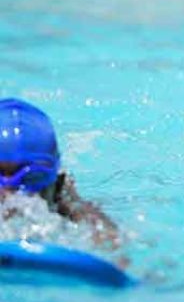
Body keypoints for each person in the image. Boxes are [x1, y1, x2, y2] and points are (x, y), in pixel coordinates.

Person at [0, 98, 119, 248]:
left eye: (32, 177)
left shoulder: (58, 195)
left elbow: (114, 247)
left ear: (54, 182)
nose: (10, 192)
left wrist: (73, 204)